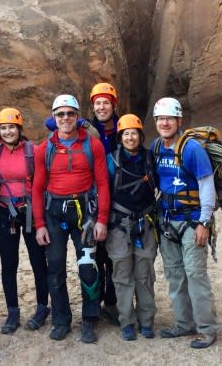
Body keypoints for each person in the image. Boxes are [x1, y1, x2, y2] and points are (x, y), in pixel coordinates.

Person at [32, 94, 111, 343]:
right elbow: (36, 188)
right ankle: (61, 320)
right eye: (60, 114)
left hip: (84, 211)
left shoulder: (92, 145)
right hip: (53, 212)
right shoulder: (44, 149)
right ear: (53, 118)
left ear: (78, 117)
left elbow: (102, 183)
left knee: (88, 268)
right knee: (54, 270)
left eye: (70, 113)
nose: (65, 118)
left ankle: (89, 319)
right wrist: (39, 224)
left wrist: (102, 219)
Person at [151, 97, 219, 349]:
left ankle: (207, 329)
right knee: (175, 275)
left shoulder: (192, 149)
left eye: (169, 118)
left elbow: (206, 185)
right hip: (167, 222)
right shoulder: (157, 148)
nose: (164, 123)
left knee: (195, 274)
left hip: (192, 222)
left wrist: (204, 221)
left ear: (179, 121)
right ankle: (183, 323)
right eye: (160, 119)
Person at [0, 108, 50, 334]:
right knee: (9, 264)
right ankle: (13, 312)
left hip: (30, 212)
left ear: (19, 129)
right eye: (3, 128)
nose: (8, 132)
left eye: (11, 127)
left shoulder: (31, 151)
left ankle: (43, 307)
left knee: (38, 262)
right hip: (5, 212)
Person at [105, 114, 158, 341]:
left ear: (140, 135)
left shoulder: (149, 158)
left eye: (133, 133)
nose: (130, 137)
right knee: (122, 273)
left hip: (145, 223)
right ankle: (126, 321)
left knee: (144, 274)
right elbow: (102, 190)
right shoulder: (112, 160)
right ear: (120, 137)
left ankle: (146, 321)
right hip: (119, 225)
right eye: (125, 133)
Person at [88, 82, 121, 325]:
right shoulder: (86, 130)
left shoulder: (124, 128)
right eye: (98, 103)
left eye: (106, 102)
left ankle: (112, 303)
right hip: (94, 198)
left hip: (119, 199)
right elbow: (52, 123)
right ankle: (96, 303)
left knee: (115, 256)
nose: (101, 107)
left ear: (113, 105)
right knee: (95, 255)